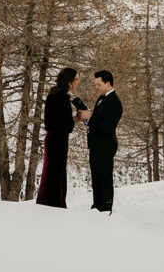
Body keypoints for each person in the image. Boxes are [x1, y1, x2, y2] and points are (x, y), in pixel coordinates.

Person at [78, 70, 123, 213]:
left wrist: (90, 117)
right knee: (96, 176)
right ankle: (96, 204)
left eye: (98, 85)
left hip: (105, 145)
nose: (96, 88)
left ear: (108, 83)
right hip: (95, 144)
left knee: (104, 177)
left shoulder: (115, 103)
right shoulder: (101, 98)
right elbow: (97, 121)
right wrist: (86, 118)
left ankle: (106, 207)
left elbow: (107, 128)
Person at [35, 67, 80, 208]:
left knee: (50, 172)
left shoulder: (53, 95)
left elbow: (53, 121)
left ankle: (48, 202)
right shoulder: (63, 98)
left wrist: (71, 120)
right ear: (69, 81)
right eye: (76, 79)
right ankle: (54, 204)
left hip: (52, 138)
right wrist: (75, 120)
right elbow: (66, 125)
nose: (78, 82)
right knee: (56, 173)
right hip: (58, 140)